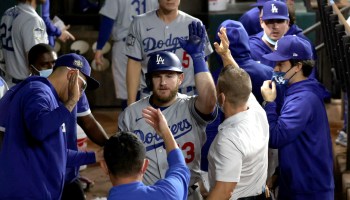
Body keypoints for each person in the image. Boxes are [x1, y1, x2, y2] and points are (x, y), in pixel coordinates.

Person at [118, 22, 217, 200]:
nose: (163, 82)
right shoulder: (130, 114)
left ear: (180, 79)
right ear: (149, 80)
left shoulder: (191, 106)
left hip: (188, 193)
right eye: (157, 76)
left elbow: (210, 101)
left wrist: (197, 57)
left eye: (169, 76)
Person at [0, 53, 100, 199]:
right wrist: (71, 102)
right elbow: (38, 130)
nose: (81, 93)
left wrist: (95, 156)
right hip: (26, 193)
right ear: (72, 75)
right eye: (82, 86)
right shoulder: (38, 91)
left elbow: (56, 151)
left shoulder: (51, 97)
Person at [28, 46, 109, 199]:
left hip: (68, 173)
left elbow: (89, 123)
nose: (50, 68)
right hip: (40, 178)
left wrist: (111, 144)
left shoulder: (77, 91)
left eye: (53, 63)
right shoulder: (33, 94)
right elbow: (45, 143)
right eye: (45, 64)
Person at [260, 35, 334, 199]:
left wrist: (269, 102)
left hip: (308, 191)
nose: (276, 69)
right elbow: (298, 141)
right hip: (300, 184)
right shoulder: (298, 92)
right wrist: (280, 174)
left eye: (281, 63)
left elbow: (276, 137)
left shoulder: (303, 99)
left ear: (298, 66)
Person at [206, 26, 270, 200]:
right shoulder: (257, 112)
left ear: (222, 98)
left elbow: (224, 191)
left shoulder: (229, 140)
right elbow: (239, 82)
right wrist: (226, 55)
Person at [125, 0, 213, 105]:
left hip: (187, 97)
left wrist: (205, 98)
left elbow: (204, 64)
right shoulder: (139, 23)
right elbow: (134, 63)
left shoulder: (194, 24)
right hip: (151, 96)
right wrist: (131, 103)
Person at [102, 106, 190, 200]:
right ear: (145, 165)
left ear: (104, 167)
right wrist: (166, 132)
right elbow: (179, 167)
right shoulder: (169, 193)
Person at [94, 0, 158, 109]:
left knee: (128, 91)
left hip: (126, 45)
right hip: (151, 44)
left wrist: (100, 47)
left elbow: (108, 21)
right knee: (150, 89)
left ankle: (130, 122)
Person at [0, 0, 48, 87]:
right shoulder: (32, 19)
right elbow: (36, 63)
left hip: (8, 84)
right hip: (25, 86)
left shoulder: (8, 13)